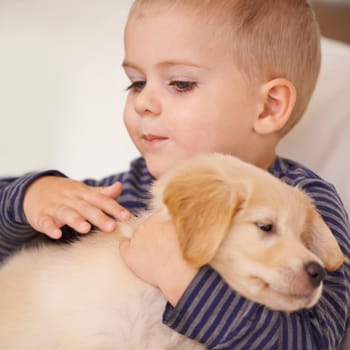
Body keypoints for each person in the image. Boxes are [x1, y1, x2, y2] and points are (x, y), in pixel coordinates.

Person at [0, 0, 349, 348]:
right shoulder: (126, 193)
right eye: (136, 83)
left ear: (269, 106)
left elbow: (313, 342)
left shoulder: (306, 202)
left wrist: (180, 277)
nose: (143, 102)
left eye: (180, 83)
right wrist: (31, 196)